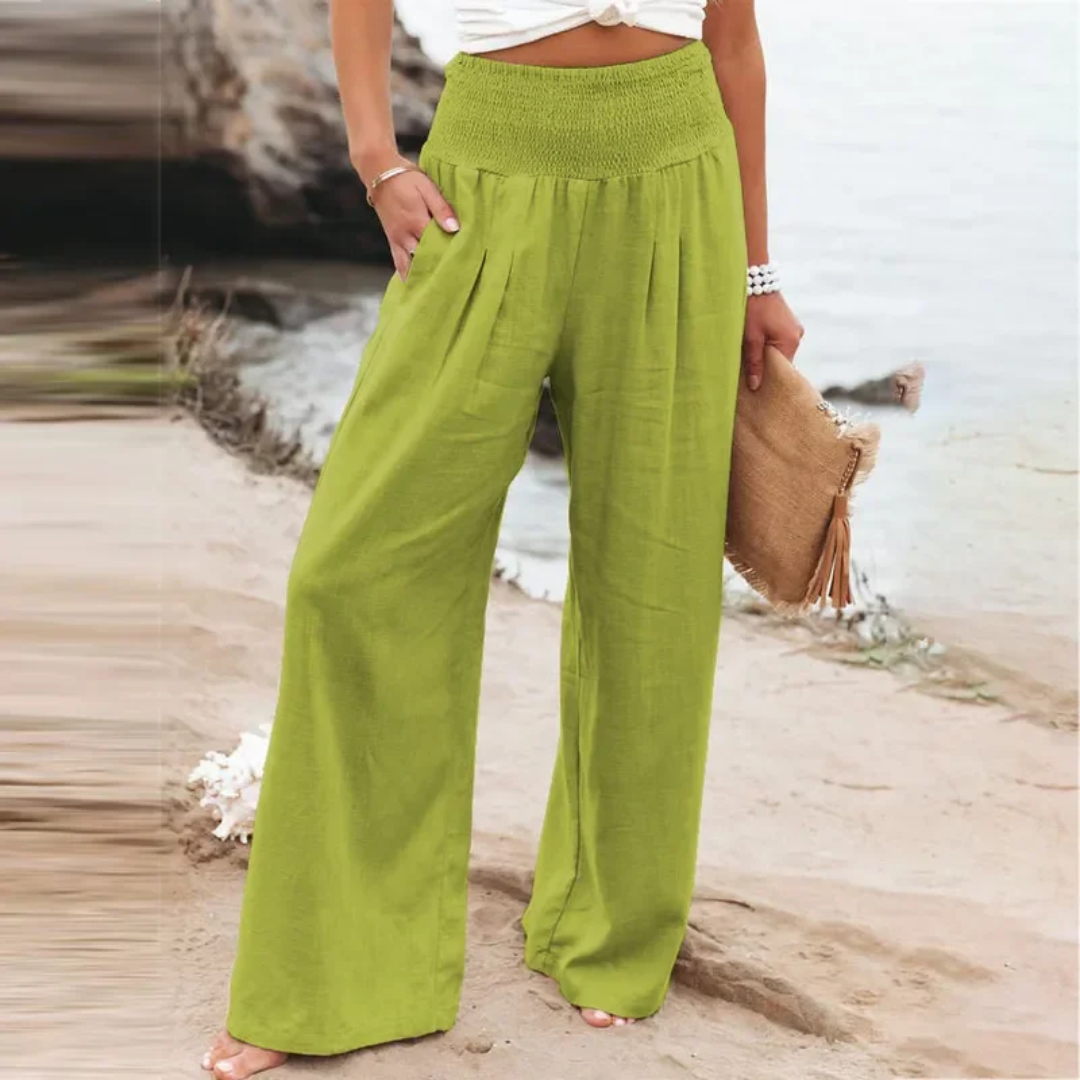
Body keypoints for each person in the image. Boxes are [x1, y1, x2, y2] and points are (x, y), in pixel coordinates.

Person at [202, 0, 803, 1076]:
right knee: (354, 572)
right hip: (484, 178)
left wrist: (758, 275)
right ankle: (331, 969)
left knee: (654, 580)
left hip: (679, 174)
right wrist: (377, 159)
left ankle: (607, 932)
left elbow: (735, 42)